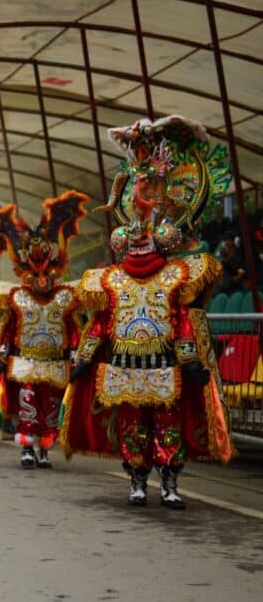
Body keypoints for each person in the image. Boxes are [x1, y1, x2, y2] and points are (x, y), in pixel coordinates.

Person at [61, 116, 235, 508]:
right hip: (124, 367)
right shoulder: (113, 281)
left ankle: (169, 482)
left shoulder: (177, 275)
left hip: (164, 365)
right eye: (130, 241)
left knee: (168, 423)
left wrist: (190, 359)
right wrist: (85, 357)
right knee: (131, 424)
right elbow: (101, 323)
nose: (137, 245)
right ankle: (138, 480)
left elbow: (183, 319)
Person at [0, 191, 89, 469]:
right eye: (35, 275)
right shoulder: (18, 299)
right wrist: (0, 359)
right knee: (28, 404)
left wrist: (76, 360)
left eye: (46, 274)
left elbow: (74, 334)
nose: (41, 281)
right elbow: (7, 331)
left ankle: (45, 449)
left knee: (50, 408)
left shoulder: (65, 299)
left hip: (54, 365)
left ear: (55, 270)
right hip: (25, 362)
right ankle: (27, 447)